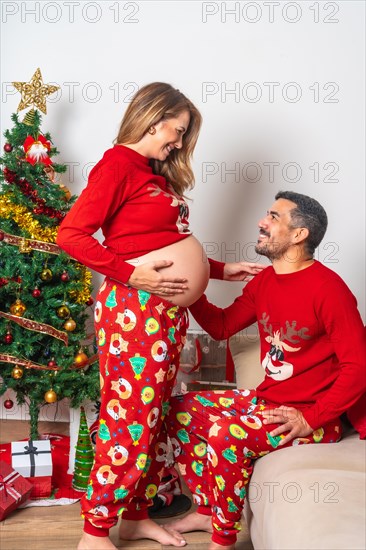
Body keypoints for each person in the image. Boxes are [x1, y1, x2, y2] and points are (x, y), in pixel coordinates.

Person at [56, 82, 264, 550]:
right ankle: (95, 532)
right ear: (153, 115)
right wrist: (133, 277)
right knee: (128, 418)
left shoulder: (153, 173)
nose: (179, 142)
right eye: (178, 130)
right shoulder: (116, 167)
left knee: (150, 418)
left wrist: (219, 269)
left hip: (163, 314)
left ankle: (133, 518)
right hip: (135, 313)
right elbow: (71, 235)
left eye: (185, 135)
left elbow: (156, 246)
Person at [164, 191, 366, 550]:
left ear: (299, 235)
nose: (262, 222)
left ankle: (223, 540)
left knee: (227, 433)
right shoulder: (265, 281)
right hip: (265, 401)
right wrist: (190, 289)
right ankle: (208, 512)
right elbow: (223, 327)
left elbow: (359, 366)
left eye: (274, 217)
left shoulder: (330, 290)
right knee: (176, 410)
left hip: (311, 418)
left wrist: (311, 419)